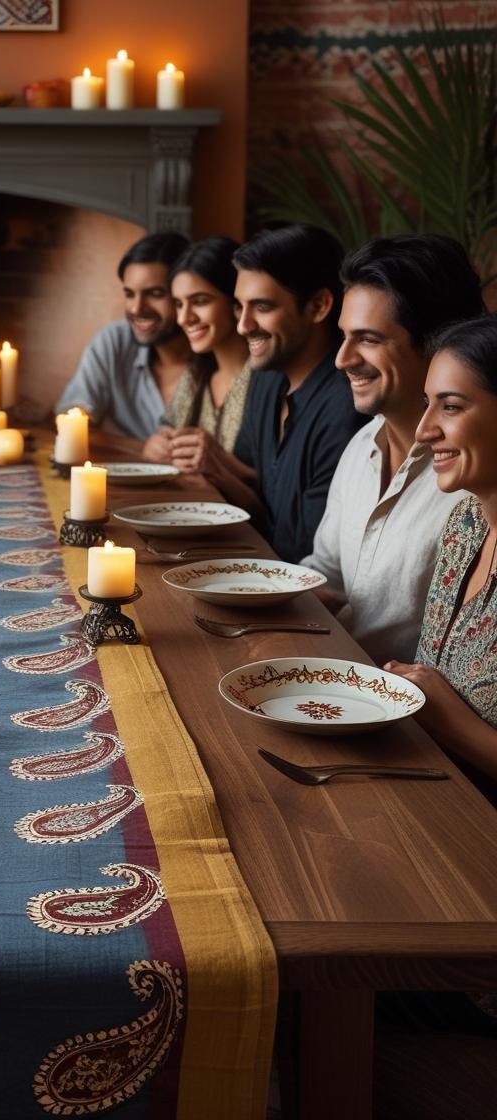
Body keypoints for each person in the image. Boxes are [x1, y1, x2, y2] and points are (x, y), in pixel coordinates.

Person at [300, 236, 482, 663]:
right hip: (330, 680)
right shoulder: (361, 445)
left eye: (368, 339)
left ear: (435, 343)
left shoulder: (475, 479)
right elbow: (324, 572)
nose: (342, 359)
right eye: (344, 336)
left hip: (412, 722)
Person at [209, 224, 366, 562]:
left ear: (319, 306)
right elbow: (257, 495)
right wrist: (209, 461)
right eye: (239, 306)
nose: (243, 325)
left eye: (262, 307)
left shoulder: (347, 406)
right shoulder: (264, 380)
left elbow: (307, 551)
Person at [386, 316, 497, 793]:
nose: (424, 429)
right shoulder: (464, 523)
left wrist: (454, 725)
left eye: (450, 406)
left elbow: (441, 710)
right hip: (428, 787)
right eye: (426, 405)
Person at [54, 230, 191, 458]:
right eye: (129, 294)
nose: (137, 308)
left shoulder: (214, 359)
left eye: (155, 294)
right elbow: (70, 419)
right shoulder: (114, 341)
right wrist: (141, 448)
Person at [162, 236, 254, 475]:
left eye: (200, 301)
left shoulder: (266, 381)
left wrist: (216, 458)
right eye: (179, 304)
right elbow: (167, 435)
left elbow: (280, 488)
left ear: (236, 300)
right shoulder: (197, 375)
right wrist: (157, 447)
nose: (184, 318)